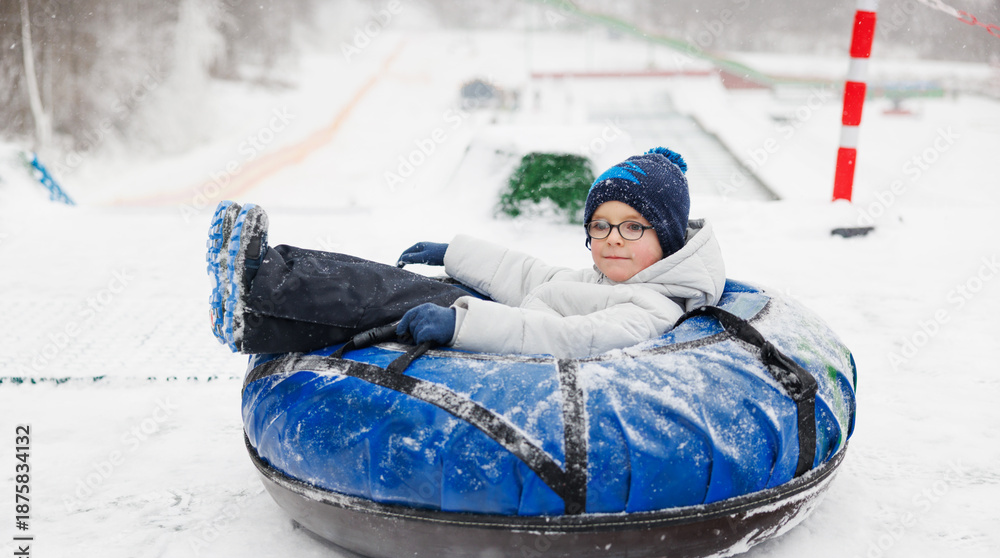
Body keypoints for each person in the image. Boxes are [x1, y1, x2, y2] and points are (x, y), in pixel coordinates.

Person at [206, 147, 725, 358]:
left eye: (633, 227)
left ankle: (261, 280)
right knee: (394, 287)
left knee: (396, 302)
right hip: (510, 323)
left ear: (670, 237)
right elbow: (536, 276)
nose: (613, 238)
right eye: (601, 225)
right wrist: (456, 252)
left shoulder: (649, 309)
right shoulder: (621, 281)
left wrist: (462, 325)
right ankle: (256, 316)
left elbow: (567, 336)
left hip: (521, 357)